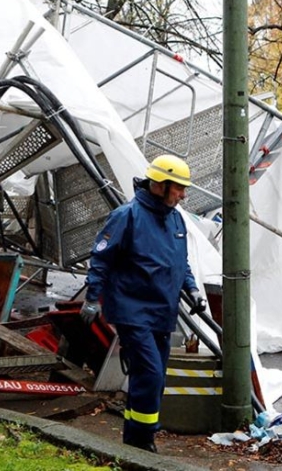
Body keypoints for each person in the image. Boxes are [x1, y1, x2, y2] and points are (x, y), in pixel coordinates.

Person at [80, 154, 206, 453]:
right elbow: (101, 258)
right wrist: (91, 298)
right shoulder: (128, 215)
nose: (183, 194)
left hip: (162, 311)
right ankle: (142, 440)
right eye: (179, 188)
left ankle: (135, 436)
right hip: (132, 310)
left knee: (154, 378)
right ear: (160, 185)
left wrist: (194, 291)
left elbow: (180, 263)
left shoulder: (175, 218)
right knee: (149, 373)